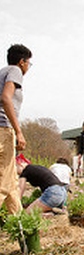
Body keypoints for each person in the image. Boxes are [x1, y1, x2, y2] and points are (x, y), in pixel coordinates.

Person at [0, 44, 32, 214]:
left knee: (11, 182)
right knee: (3, 184)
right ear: (22, 62)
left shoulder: (2, 72)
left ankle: (20, 226)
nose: (28, 67)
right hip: (3, 129)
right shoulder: (15, 71)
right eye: (29, 63)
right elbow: (6, 98)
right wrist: (18, 131)